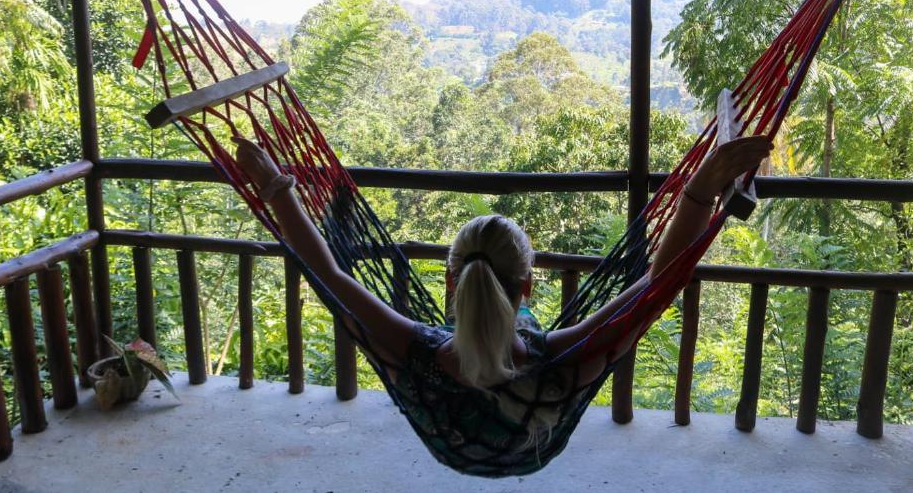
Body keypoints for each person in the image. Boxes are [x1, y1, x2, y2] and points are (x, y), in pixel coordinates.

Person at [234, 134, 771, 471]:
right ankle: (507, 323)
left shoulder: (411, 350)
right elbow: (658, 283)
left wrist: (277, 188)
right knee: (525, 335)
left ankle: (482, 321)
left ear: (450, 284)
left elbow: (328, 273)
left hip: (452, 443)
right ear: (528, 286)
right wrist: (700, 192)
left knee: (474, 332)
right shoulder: (565, 358)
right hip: (531, 425)